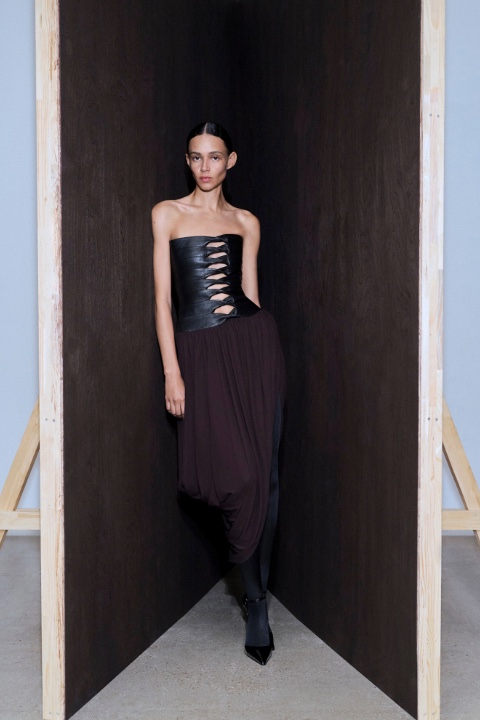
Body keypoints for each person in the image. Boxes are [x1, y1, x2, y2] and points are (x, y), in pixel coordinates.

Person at [152, 121, 286, 665]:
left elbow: (249, 294)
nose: (205, 166)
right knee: (237, 476)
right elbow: (163, 301)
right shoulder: (167, 214)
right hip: (199, 353)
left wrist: (258, 357)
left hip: (254, 348)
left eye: (214, 157)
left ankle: (256, 601)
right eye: (195, 157)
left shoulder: (246, 221)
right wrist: (172, 372)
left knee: (266, 475)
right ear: (187, 161)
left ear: (231, 160)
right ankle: (252, 590)